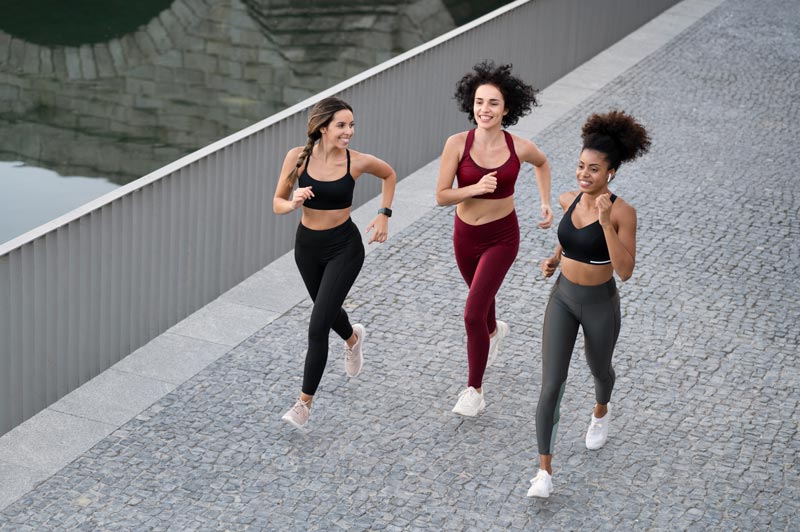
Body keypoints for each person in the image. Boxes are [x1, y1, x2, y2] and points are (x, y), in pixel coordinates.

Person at [527, 110, 651, 498]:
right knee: (551, 384)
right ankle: (544, 471)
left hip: (600, 302)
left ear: (611, 172)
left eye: (594, 169)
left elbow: (625, 270)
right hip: (563, 298)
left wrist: (606, 222)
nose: (584, 174)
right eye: (581, 166)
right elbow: (569, 239)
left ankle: (601, 409)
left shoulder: (623, 213)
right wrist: (554, 258)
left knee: (600, 368)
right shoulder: (568, 199)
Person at [436, 61, 553, 417]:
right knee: (481, 301)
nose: (484, 109)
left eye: (493, 103)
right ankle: (495, 331)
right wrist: (473, 188)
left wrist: (546, 202)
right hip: (465, 237)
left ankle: (474, 390)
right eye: (479, 102)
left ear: (506, 109)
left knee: (472, 313)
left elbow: (542, 163)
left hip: (502, 237)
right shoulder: (457, 144)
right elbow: (442, 196)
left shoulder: (519, 147)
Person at [273, 96, 396, 429]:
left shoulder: (356, 161)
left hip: (345, 248)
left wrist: (384, 214)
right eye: (341, 125)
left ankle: (303, 405)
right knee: (326, 311)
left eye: (351, 125)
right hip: (307, 249)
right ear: (323, 127)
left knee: (317, 325)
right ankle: (353, 338)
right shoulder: (297, 158)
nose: (349, 131)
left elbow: (389, 174)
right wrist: (293, 202)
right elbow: (277, 203)